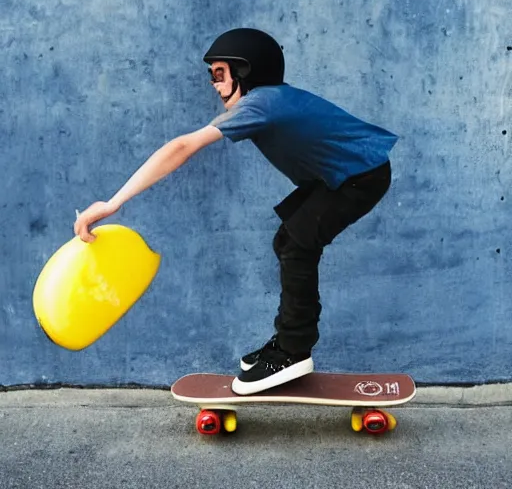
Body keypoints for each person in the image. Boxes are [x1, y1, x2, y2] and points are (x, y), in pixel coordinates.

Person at [74, 27, 398, 396]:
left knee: (296, 244)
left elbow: (182, 147)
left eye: (219, 73)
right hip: (339, 176)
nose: (213, 83)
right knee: (288, 240)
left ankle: (292, 352)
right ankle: (288, 340)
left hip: (359, 177)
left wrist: (114, 202)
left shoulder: (262, 104)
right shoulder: (268, 100)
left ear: (246, 72)